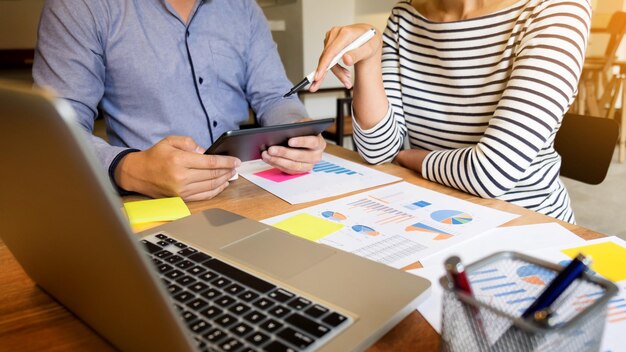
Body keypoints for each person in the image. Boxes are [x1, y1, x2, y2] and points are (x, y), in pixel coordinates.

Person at [311, 0, 591, 223]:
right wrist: (369, 59)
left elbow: (490, 173)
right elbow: (379, 153)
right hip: (431, 215)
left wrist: (413, 159)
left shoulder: (558, 10)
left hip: (528, 224)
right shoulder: (405, 16)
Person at [33, 0, 325, 202]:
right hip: (145, 202)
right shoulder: (80, 7)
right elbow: (54, 134)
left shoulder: (243, 8)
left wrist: (296, 130)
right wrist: (126, 168)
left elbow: (275, 95)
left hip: (244, 193)